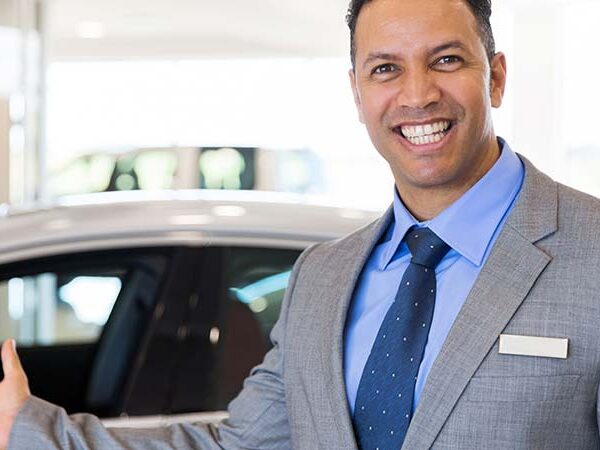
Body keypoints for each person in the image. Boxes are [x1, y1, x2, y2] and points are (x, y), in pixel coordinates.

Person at [2, 0, 600, 448]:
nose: (417, 95)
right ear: (357, 93)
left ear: (495, 76)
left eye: (445, 60)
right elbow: (239, 445)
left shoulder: (591, 252)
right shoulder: (322, 277)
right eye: (385, 69)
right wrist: (27, 431)